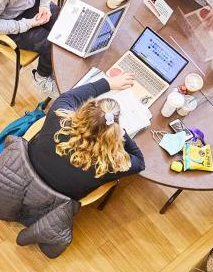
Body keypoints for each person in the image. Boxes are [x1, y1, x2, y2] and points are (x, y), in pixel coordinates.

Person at [29, 68, 146, 200]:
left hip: (29, 166)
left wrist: (108, 83)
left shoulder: (59, 114)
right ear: (112, 131)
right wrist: (122, 133)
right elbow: (140, 162)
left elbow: (70, 96)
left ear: (85, 109)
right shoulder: (110, 162)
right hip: (60, 198)